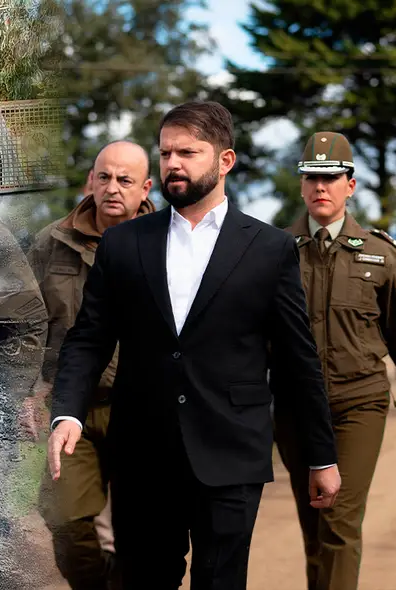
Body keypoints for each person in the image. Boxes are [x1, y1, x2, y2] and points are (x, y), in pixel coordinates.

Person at [47, 101, 340, 590]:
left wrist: (321, 456)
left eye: (188, 152)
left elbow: (297, 361)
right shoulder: (124, 244)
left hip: (231, 453)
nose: (173, 164)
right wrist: (68, 413)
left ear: (225, 161)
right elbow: (89, 338)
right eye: (165, 154)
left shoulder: (269, 249)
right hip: (142, 455)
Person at [276, 131, 396, 590]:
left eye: (330, 178)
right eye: (311, 178)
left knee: (338, 523)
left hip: (358, 404)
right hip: (293, 409)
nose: (320, 188)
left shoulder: (380, 255)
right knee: (314, 527)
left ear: (350, 184)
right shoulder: (273, 252)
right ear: (302, 186)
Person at [20, 140, 155, 589]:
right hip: (73, 406)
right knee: (66, 520)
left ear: (145, 188)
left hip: (145, 409)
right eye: (105, 177)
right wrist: (30, 389)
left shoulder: (171, 245)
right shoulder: (52, 243)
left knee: (148, 534)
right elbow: (28, 324)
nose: (113, 188)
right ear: (90, 181)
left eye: (125, 180)